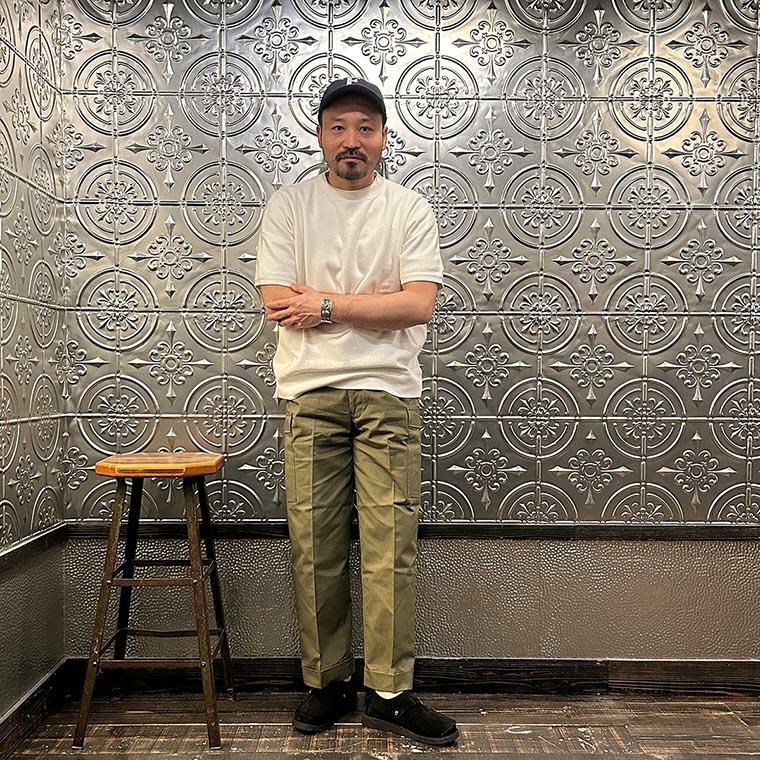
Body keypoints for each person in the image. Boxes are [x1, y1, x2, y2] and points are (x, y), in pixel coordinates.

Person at [253, 78, 458, 746]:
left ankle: (390, 692)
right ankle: (328, 683)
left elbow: (417, 305)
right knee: (315, 545)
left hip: (389, 393)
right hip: (309, 393)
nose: (352, 140)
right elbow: (277, 301)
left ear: (384, 138)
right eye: (339, 127)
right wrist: (372, 303)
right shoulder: (289, 207)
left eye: (366, 128)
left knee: (390, 546)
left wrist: (326, 304)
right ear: (320, 136)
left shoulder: (409, 209)